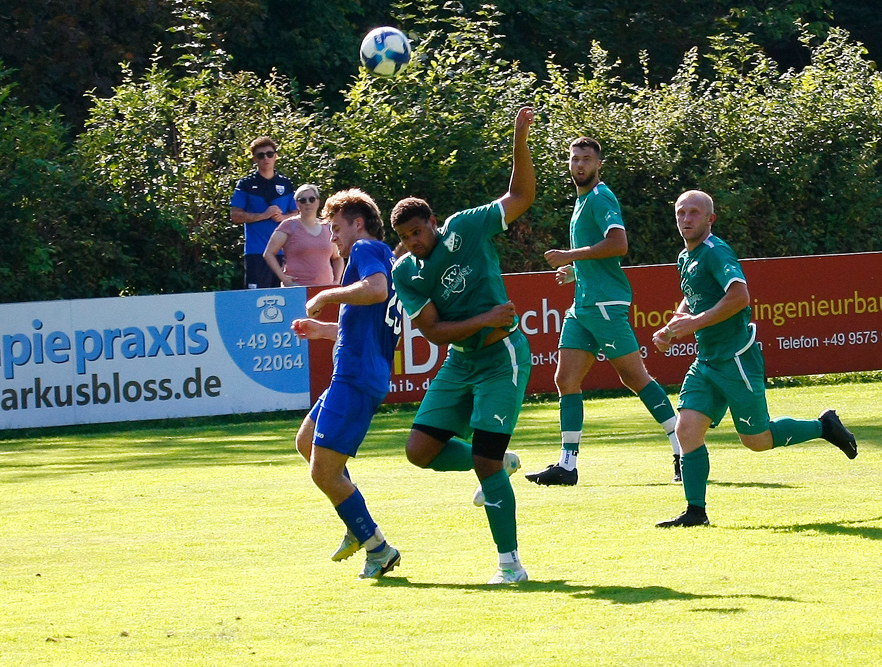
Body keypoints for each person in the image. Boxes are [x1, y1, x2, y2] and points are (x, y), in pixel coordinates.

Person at [389, 106, 535, 585]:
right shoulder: (406, 272)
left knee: (484, 462)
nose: (414, 243)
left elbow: (520, 195)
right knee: (418, 450)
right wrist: (484, 317)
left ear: (433, 221)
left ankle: (510, 564)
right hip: (461, 361)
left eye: (418, 232)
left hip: (502, 357)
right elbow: (432, 331)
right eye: (405, 238)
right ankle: (502, 461)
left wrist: (519, 135)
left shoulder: (467, 226)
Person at [651, 190, 858, 527]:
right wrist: (672, 326)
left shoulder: (717, 252)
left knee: (757, 440)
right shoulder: (684, 257)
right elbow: (691, 298)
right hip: (707, 359)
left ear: (709, 219)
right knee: (687, 429)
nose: (685, 219)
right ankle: (695, 512)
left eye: (693, 213)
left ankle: (824, 426)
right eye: (680, 213)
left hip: (736, 358)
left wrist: (693, 324)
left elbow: (739, 295)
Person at [525, 137, 682, 488]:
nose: (579, 165)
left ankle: (683, 451)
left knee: (635, 378)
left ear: (599, 165)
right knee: (565, 380)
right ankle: (567, 465)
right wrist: (575, 271)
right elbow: (599, 254)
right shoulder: (582, 202)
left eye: (586, 159)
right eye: (574, 159)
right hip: (583, 305)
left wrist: (570, 256)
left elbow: (618, 244)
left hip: (605, 304)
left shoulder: (600, 197)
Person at [292, 188, 403, 578]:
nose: (332, 237)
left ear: (358, 223)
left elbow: (376, 291)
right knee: (306, 443)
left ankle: (377, 547)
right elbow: (361, 325)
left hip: (356, 377)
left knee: (323, 472)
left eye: (336, 227)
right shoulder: (383, 256)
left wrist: (326, 294)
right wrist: (322, 329)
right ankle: (356, 525)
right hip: (356, 372)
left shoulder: (366, 250)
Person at [230, 136, 297, 289]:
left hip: (284, 252)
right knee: (257, 299)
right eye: (261, 155)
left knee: (286, 298)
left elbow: (297, 214)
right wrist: (263, 215)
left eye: (270, 154)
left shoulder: (286, 184)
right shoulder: (245, 184)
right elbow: (235, 215)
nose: (266, 158)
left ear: (275, 156)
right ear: (254, 159)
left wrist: (284, 217)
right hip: (257, 252)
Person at [263, 183, 344, 286]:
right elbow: (268, 253)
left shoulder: (327, 227)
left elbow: (337, 257)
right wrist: (283, 278)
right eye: (303, 200)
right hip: (296, 288)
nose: (307, 203)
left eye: (311, 199)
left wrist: (336, 281)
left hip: (325, 289)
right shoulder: (288, 225)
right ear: (297, 204)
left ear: (318, 201)